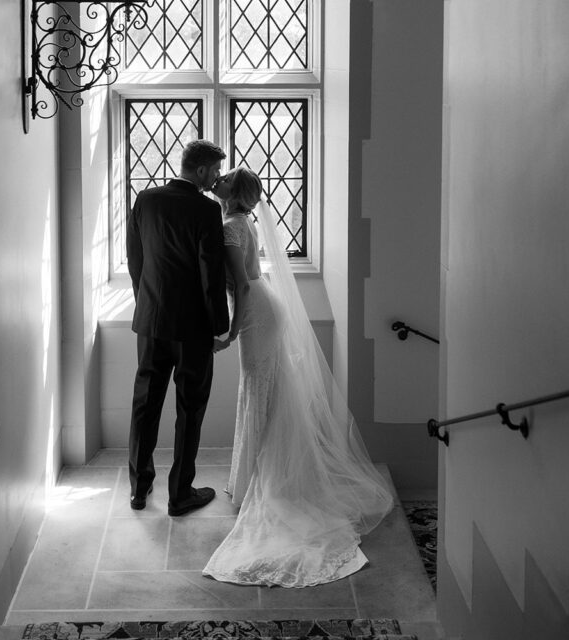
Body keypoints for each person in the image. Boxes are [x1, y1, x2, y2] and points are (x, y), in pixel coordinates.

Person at [204, 166, 394, 587]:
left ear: (232, 192)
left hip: (256, 313)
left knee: (258, 390)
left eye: (221, 181)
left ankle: (264, 479)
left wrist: (231, 333)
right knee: (262, 390)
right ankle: (252, 476)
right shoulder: (241, 221)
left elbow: (242, 283)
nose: (214, 183)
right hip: (262, 308)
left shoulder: (230, 228)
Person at [126, 139, 229, 517]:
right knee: (189, 409)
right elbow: (210, 274)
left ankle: (139, 490)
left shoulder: (146, 199)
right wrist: (220, 326)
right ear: (200, 170)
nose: (217, 177)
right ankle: (180, 494)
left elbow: (135, 258)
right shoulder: (206, 211)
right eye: (215, 170)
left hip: (151, 322)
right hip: (193, 328)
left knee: (144, 404)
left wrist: (147, 303)